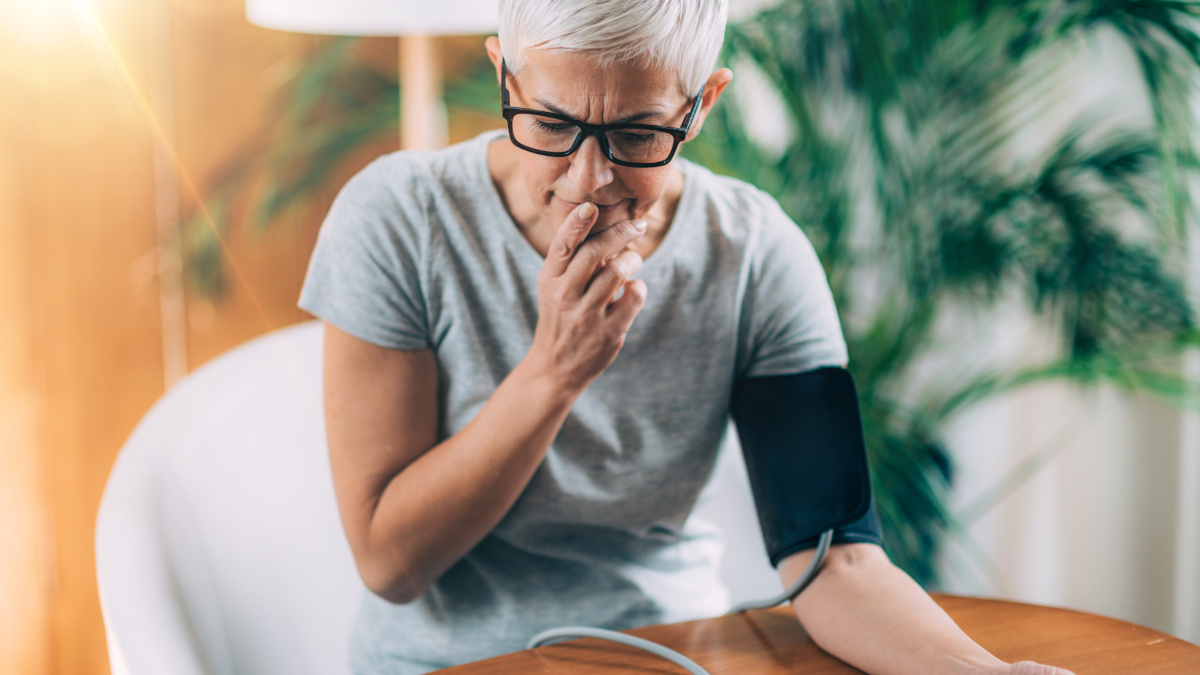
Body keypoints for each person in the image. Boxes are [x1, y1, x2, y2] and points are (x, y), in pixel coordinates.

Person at [298, 1, 1075, 673]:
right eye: (550, 123)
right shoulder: (399, 219)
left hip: (665, 651)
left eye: (636, 136)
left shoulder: (755, 252)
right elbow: (388, 560)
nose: (587, 179)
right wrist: (553, 373)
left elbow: (835, 557)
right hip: (449, 664)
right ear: (506, 77)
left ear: (700, 104)